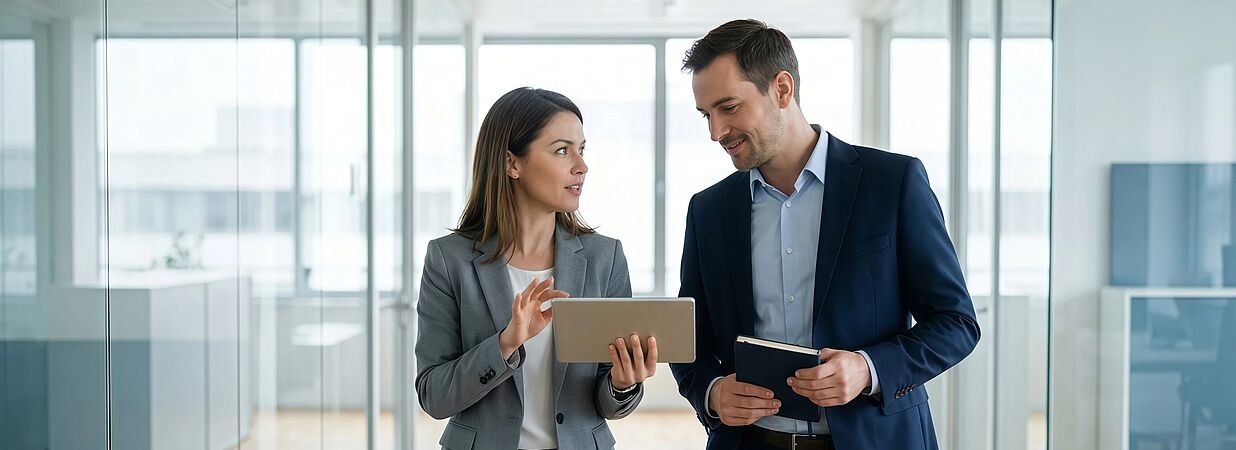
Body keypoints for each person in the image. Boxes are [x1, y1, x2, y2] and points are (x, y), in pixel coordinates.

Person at [669, 19, 981, 450]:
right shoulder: (708, 210)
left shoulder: (892, 182)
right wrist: (712, 393)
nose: (715, 132)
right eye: (707, 115)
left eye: (729, 107)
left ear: (782, 88)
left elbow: (956, 322)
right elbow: (691, 341)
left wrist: (869, 368)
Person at [416, 87, 659, 450]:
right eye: (562, 150)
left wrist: (622, 384)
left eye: (582, 149)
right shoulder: (448, 260)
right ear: (512, 163)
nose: (581, 165)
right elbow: (434, 396)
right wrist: (505, 344)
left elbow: (609, 405)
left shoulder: (604, 258)